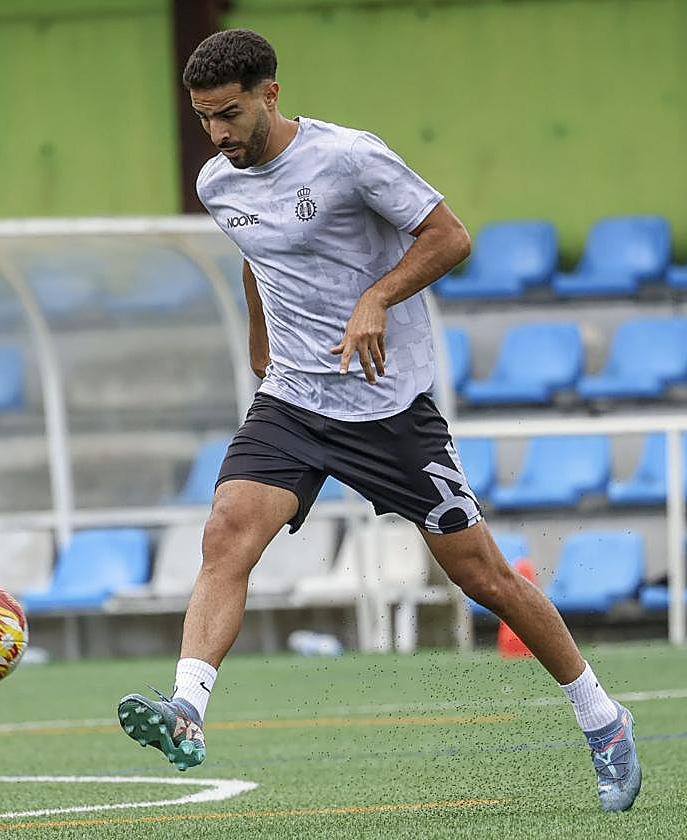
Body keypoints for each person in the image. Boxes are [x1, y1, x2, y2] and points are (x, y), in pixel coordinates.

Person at [116, 29, 640, 814]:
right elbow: (260, 257)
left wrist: (376, 298)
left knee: (484, 579)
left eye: (229, 115)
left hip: (387, 406)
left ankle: (603, 720)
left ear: (271, 94)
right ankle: (188, 708)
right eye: (203, 120)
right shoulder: (219, 183)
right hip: (294, 399)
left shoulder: (350, 158)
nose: (218, 136)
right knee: (227, 531)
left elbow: (450, 237)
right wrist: (261, 340)